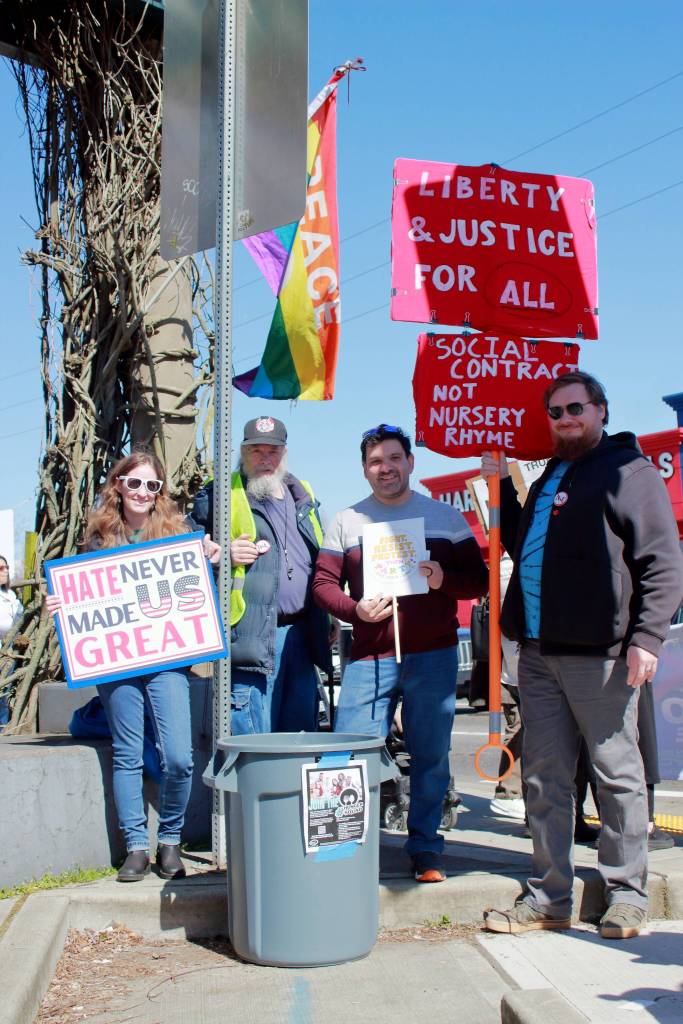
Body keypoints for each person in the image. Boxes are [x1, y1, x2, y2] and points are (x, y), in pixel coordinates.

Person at [481, 371, 683, 939]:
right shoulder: (551, 474)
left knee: (617, 776)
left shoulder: (628, 471)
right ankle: (549, 897)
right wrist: (504, 492)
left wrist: (647, 638)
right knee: (544, 780)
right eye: (556, 411)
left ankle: (627, 895)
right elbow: (527, 548)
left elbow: (662, 562)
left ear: (600, 410)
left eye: (576, 408)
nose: (565, 418)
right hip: (540, 655)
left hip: (601, 656)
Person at [312, 423, 488, 882]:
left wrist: (441, 579)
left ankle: (426, 849)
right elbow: (323, 585)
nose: (385, 468)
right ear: (365, 470)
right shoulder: (346, 521)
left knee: (430, 755)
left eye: (394, 459)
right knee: (349, 753)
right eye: (375, 462)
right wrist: (355, 609)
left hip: (433, 654)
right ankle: (341, 849)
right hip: (370, 657)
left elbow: (478, 579)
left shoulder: (445, 517)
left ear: (410, 462)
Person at [47, 448, 220, 883]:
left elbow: (195, 592)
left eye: (152, 485)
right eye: (135, 482)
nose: (143, 491)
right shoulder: (99, 537)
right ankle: (137, 847)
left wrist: (210, 559)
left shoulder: (178, 534)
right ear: (119, 485)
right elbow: (85, 595)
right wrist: (62, 604)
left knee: (179, 758)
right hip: (118, 662)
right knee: (126, 754)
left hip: (167, 661)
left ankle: (171, 841)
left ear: (160, 492)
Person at [190, 416, 331, 734]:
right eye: (257, 451)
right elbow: (185, 548)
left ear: (284, 453)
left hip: (303, 635)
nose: (265, 459)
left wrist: (328, 619)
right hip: (251, 637)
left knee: (299, 737)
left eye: (273, 451)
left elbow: (319, 561)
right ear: (243, 451)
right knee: (255, 739)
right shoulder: (221, 494)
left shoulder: (303, 495)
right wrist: (223, 554)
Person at [0, 555, 23, 728]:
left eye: (6, 568)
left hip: (8, 648)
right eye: (1, 569)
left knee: (4, 689)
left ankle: (2, 724)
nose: (5, 571)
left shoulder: (11, 595)